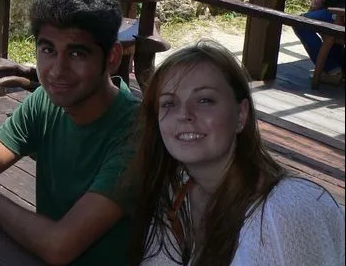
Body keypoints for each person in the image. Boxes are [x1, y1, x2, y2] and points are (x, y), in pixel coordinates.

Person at [0, 0, 138, 265]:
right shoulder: (44, 101)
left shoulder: (136, 132)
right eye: (48, 50)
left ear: (112, 57)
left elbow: (59, 247)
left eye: (77, 53)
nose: (57, 70)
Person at [129, 40, 344, 265]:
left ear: (241, 115)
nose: (184, 114)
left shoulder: (285, 210)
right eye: (169, 103)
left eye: (204, 100)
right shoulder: (174, 192)